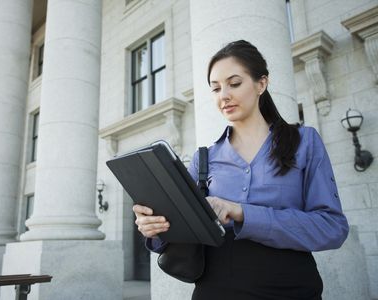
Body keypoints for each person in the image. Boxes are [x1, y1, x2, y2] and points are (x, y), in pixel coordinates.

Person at [133, 40, 349, 299]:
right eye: (215, 88)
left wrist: (241, 212)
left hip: (291, 288)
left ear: (261, 84)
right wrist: (155, 226)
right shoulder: (204, 159)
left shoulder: (304, 141)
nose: (224, 95)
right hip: (216, 290)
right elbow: (184, 232)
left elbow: (332, 227)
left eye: (234, 84)